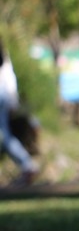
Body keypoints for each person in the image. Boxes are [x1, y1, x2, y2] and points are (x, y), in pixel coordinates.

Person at [0, 39, 39, 186]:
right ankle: (28, 165)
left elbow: (5, 72)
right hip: (5, 94)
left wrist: (12, 99)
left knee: (5, 136)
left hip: (3, 94)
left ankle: (28, 166)